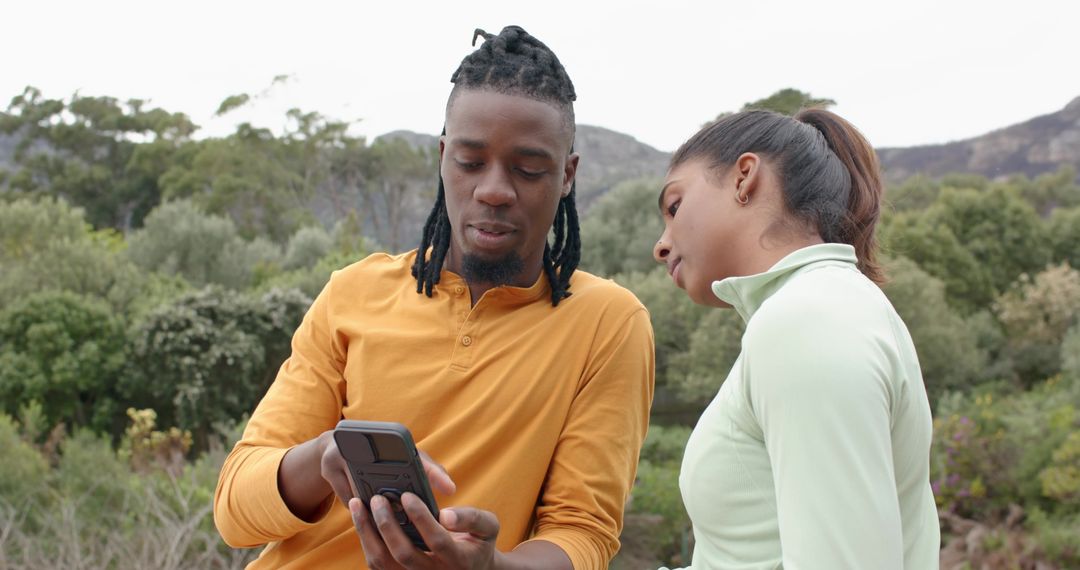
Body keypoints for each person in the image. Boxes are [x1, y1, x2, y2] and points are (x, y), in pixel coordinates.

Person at [214, 26, 655, 570]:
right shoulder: (352, 293)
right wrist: (325, 455)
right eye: (470, 162)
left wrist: (491, 568)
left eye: (529, 169)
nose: (493, 189)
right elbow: (235, 511)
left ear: (567, 175)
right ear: (443, 157)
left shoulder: (608, 323)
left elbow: (583, 533)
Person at [652, 108, 940, 569]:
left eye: (674, 206)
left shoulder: (806, 319)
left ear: (745, 177)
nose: (661, 244)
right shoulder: (824, 307)